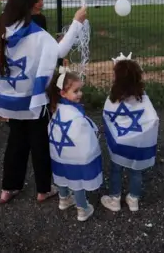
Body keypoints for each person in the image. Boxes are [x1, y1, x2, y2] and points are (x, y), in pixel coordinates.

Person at [0, 0, 87, 203]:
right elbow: (59, 51)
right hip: (33, 99)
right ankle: (43, 188)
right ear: (30, 2)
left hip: (13, 98)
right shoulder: (38, 35)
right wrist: (77, 23)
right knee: (40, 142)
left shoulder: (6, 28)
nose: (42, 3)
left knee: (16, 142)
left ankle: (8, 187)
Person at [100, 53, 159, 213]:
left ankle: (115, 199)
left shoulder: (113, 98)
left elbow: (108, 116)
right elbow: (152, 118)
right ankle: (133, 200)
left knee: (116, 169)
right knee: (136, 170)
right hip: (138, 143)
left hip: (120, 144)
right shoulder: (142, 97)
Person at [47, 68, 102, 222]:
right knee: (77, 181)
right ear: (63, 93)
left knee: (62, 174)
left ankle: (64, 199)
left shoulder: (57, 109)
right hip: (74, 153)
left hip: (60, 150)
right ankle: (82, 209)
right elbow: (82, 134)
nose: (80, 94)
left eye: (80, 90)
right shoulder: (74, 114)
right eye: (76, 91)